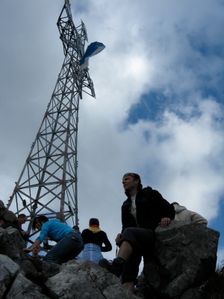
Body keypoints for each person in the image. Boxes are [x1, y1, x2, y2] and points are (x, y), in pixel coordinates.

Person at [99, 172, 175, 293]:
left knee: (130, 233)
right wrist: (121, 237)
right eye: (122, 180)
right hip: (135, 238)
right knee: (129, 264)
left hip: (151, 233)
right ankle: (127, 292)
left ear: (136, 181)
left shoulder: (150, 194)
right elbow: (125, 226)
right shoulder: (125, 205)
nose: (123, 182)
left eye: (126, 179)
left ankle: (116, 267)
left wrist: (166, 217)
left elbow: (168, 207)